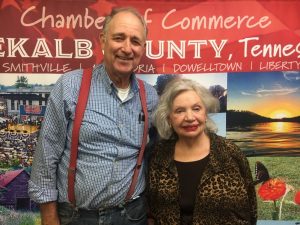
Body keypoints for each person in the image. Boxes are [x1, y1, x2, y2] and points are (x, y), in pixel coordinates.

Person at [28, 7, 158, 225]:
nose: (127, 48)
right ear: (103, 40)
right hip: (78, 217)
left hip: (133, 215)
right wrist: (49, 217)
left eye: (135, 41)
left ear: (143, 48)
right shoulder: (70, 86)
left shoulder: (150, 96)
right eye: (119, 38)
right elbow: (46, 155)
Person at [147, 79, 257, 225]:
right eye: (180, 111)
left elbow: (251, 208)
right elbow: (152, 212)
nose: (190, 117)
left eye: (196, 108)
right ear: (169, 119)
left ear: (206, 113)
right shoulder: (159, 156)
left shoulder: (230, 153)